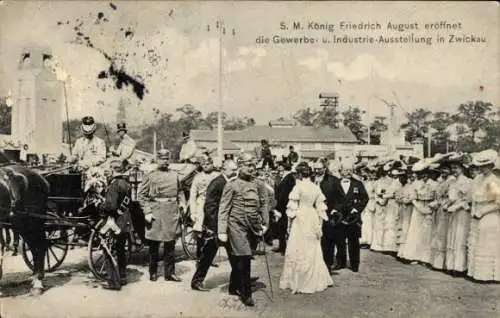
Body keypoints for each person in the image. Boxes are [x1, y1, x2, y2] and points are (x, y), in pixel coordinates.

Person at [218, 153, 267, 307]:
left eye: (253, 165)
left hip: (253, 227)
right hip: (236, 225)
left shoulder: (259, 184)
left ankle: (234, 286)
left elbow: (264, 204)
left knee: (241, 257)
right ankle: (246, 294)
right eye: (248, 165)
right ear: (240, 166)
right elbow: (223, 209)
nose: (252, 168)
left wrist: (265, 223)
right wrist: (222, 230)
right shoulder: (232, 184)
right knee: (244, 257)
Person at [279, 162, 333, 294]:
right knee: (312, 247)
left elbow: (291, 208)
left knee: (298, 246)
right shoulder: (316, 187)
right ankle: (314, 279)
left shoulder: (298, 187)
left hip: (301, 217)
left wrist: (289, 225)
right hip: (312, 216)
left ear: (299, 174)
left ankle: (299, 281)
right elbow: (321, 207)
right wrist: (319, 224)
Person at [138, 149, 186, 282]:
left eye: (166, 159)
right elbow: (141, 196)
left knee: (170, 244)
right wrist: (147, 211)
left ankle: (169, 273)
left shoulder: (175, 175)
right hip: (156, 212)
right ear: (157, 160)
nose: (164, 161)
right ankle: (153, 272)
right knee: (154, 244)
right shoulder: (150, 175)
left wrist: (182, 204)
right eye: (162, 159)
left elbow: (180, 192)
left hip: (171, 212)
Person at [191, 159, 239, 291]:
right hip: (217, 226)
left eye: (236, 169)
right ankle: (196, 281)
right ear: (224, 170)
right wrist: (216, 228)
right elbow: (210, 207)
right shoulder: (217, 183)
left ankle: (238, 281)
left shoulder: (231, 182)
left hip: (228, 224)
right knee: (207, 255)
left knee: (234, 254)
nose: (235, 171)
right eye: (233, 169)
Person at [328, 158, 369, 272]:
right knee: (340, 240)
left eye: (350, 170)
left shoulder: (358, 183)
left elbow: (365, 198)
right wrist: (334, 210)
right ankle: (340, 262)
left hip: (353, 217)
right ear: (340, 171)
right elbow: (332, 199)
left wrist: (357, 209)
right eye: (345, 170)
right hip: (339, 216)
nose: (347, 172)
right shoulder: (335, 184)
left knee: (353, 241)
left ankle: (354, 264)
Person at [468, 149, 500, 282]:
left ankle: (490, 275)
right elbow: (473, 199)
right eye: (481, 166)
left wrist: (482, 212)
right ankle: (477, 274)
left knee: (489, 244)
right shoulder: (477, 179)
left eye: (486, 166)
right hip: (477, 215)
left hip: (489, 215)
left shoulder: (494, 181)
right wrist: (474, 211)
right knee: (477, 242)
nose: (483, 169)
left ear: (492, 166)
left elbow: (498, 203)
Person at [100, 159, 132, 290]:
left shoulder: (113, 185)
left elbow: (111, 206)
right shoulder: (126, 184)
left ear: (113, 169)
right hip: (124, 221)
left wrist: (101, 206)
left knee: (108, 250)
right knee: (120, 250)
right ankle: (123, 277)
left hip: (113, 222)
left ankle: (113, 282)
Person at [444, 152, 472, 274]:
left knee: (460, 236)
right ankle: (451, 265)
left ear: (462, 168)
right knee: (452, 236)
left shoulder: (467, 182)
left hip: (461, 213)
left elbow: (467, 200)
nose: (453, 170)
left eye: (456, 168)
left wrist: (456, 206)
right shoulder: (452, 182)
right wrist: (446, 205)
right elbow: (451, 198)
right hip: (452, 213)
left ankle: (459, 267)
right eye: (452, 168)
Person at [189, 156, 219, 258]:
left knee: (213, 232)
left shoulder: (217, 176)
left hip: (214, 205)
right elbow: (193, 195)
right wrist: (193, 212)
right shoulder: (197, 177)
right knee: (200, 232)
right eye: (204, 164)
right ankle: (199, 257)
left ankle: (210, 257)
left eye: (208, 164)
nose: (205, 166)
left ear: (212, 164)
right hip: (201, 204)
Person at [274, 159, 296, 254]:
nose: (279, 171)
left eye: (280, 168)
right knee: (281, 228)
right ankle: (282, 246)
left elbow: (284, 195)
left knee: (286, 227)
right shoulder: (286, 177)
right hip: (283, 207)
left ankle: (285, 248)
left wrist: (278, 206)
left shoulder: (289, 178)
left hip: (285, 207)